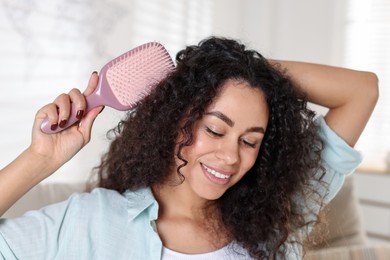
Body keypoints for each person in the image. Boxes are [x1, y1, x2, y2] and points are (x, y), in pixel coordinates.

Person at [0, 37, 378, 259]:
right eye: (215, 130)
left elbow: (361, 91)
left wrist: (240, 69)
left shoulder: (275, 222)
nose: (231, 156)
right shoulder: (90, 222)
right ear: (175, 119)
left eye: (250, 141)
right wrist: (41, 159)